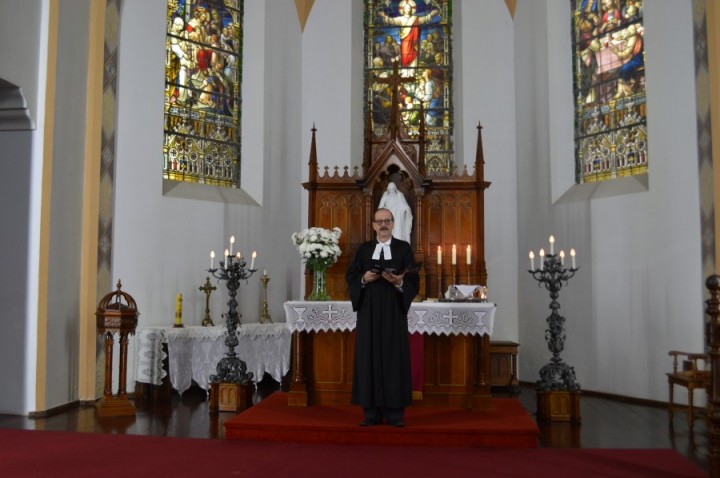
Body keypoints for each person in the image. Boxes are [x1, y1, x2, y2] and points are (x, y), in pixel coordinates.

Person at [346, 208, 419, 427]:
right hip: (368, 311)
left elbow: (414, 279)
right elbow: (351, 275)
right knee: (368, 356)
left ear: (393, 223)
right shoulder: (364, 249)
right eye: (379, 221)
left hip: (393, 311)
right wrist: (363, 278)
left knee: (393, 358)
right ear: (373, 225)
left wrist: (399, 282)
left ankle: (395, 413)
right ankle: (371, 412)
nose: (383, 225)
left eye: (387, 220)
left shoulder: (403, 248)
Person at [378, 0, 439, 69]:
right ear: (403, 9)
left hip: (414, 42)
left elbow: (424, 19)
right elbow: (391, 20)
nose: (408, 9)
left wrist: (431, 14)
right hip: (405, 42)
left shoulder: (415, 18)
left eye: (409, 8)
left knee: (413, 54)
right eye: (406, 8)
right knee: (405, 55)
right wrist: (384, 16)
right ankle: (404, 70)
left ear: (412, 9)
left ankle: (413, 71)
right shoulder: (400, 19)